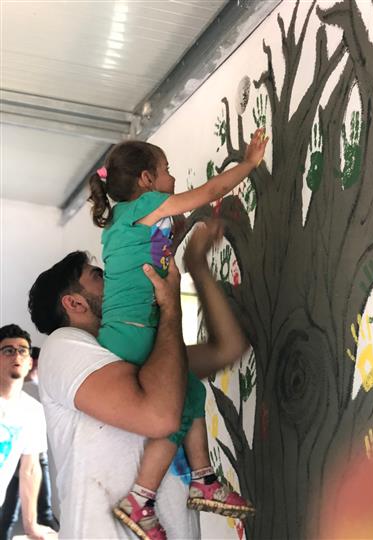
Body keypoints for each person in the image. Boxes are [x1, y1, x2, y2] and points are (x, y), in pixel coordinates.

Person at [86, 131, 267, 537]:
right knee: (176, 405)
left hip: (123, 334)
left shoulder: (119, 222)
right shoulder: (148, 205)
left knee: (190, 395)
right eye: (166, 171)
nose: (173, 177)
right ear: (147, 180)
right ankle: (143, 497)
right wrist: (251, 163)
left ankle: (201, 478)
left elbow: (153, 249)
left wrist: (179, 233)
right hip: (138, 331)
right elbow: (211, 190)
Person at [28, 221, 249, 540]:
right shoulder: (63, 345)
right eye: (99, 277)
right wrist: (170, 307)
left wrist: (197, 268)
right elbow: (160, 417)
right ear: (74, 303)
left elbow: (227, 348)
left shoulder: (140, 355)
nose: (116, 282)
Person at [0, 324, 55, 540]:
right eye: (8, 350)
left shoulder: (33, 410)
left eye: (23, 350)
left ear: (30, 362)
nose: (17, 355)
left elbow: (30, 469)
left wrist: (31, 526)